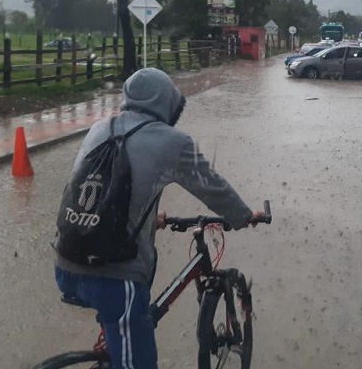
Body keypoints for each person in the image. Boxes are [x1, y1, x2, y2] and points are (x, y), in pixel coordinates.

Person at [54, 68, 267, 369]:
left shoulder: (101, 128)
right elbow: (213, 188)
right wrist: (244, 216)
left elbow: (95, 190)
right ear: (168, 103)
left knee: (120, 331)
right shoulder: (172, 141)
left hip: (66, 266)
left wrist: (149, 216)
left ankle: (111, 343)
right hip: (115, 281)